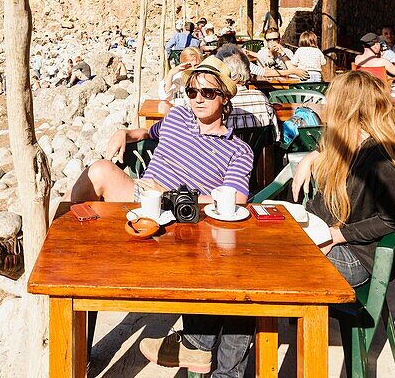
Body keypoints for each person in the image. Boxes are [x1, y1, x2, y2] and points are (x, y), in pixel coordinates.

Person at [70, 58, 256, 377]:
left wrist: (179, 196)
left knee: (100, 171)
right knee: (99, 170)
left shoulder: (238, 150)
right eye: (192, 90)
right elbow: (147, 131)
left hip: (179, 219)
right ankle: (47, 244)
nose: (197, 98)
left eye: (208, 92)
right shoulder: (178, 117)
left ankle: (50, 248)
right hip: (138, 196)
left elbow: (237, 198)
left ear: (225, 97)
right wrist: (125, 133)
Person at [289, 70, 395, 286]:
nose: (326, 107)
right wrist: (312, 156)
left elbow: (393, 219)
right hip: (332, 238)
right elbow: (327, 146)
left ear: (345, 108)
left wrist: (337, 235)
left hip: (355, 257)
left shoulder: (381, 160)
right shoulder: (348, 144)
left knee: (282, 259)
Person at [215, 43, 275, 131]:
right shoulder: (261, 97)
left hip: (231, 143)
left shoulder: (222, 101)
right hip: (258, 144)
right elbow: (275, 134)